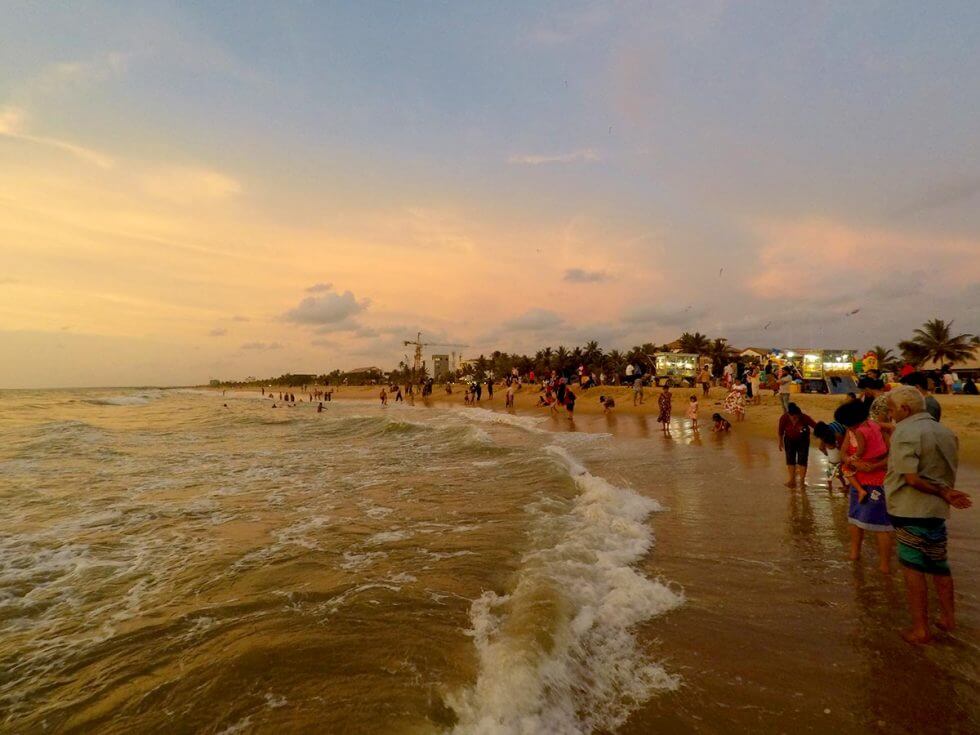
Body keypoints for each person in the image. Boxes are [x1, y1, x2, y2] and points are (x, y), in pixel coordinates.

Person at [885, 384, 972, 644]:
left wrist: (942, 493)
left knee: (913, 568)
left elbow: (911, 478)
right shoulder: (944, 431)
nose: (890, 415)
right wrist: (945, 493)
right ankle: (948, 618)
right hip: (935, 512)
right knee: (939, 564)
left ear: (904, 408)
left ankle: (920, 628)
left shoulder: (905, 432)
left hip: (911, 509)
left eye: (891, 409)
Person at [833, 398, 893, 573]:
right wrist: (853, 463)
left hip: (877, 482)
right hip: (858, 480)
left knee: (882, 525)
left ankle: (884, 565)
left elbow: (890, 456)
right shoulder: (852, 431)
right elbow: (843, 453)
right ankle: (854, 554)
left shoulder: (875, 429)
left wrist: (873, 466)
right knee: (855, 519)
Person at [777, 403, 816, 488]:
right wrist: (780, 442)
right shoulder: (784, 418)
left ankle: (802, 481)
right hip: (789, 440)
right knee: (790, 459)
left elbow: (815, 426)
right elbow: (780, 431)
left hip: (803, 440)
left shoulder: (804, 417)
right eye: (793, 417)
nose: (795, 419)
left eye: (797, 417)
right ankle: (791, 480)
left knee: (803, 459)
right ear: (789, 415)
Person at [814, 420, 847, 491]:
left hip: (838, 461)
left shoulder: (837, 436)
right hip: (832, 463)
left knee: (840, 475)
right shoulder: (827, 434)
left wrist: (842, 461)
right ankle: (832, 487)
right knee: (831, 476)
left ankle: (845, 486)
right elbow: (821, 447)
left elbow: (844, 449)